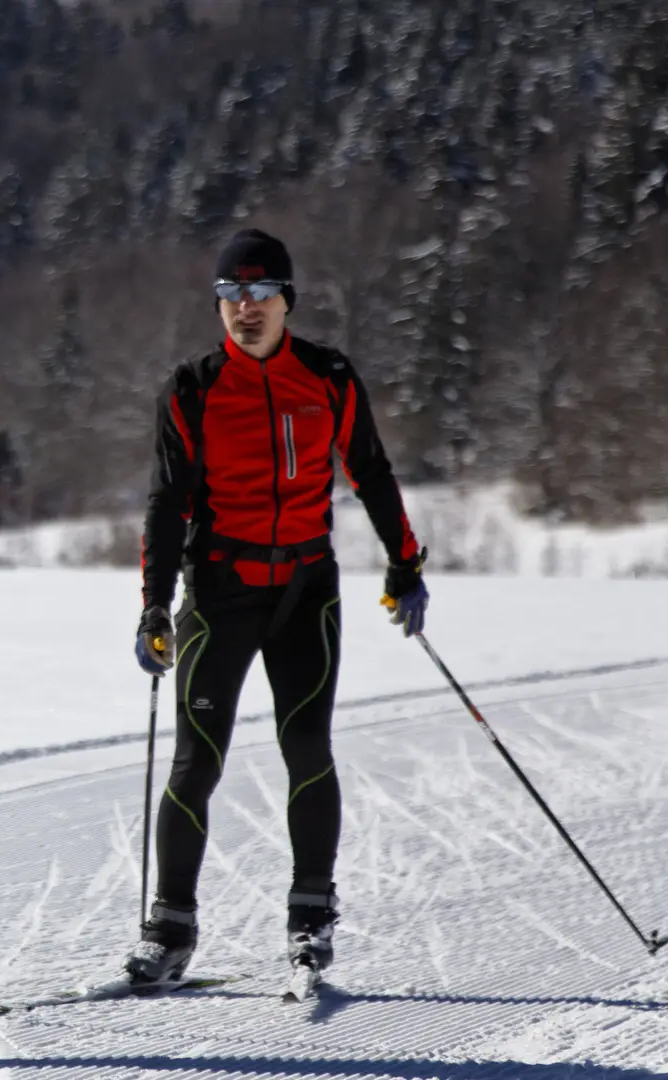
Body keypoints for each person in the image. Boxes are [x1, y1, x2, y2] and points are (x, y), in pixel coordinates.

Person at [128, 228, 428, 986]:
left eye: (260, 294)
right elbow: (166, 506)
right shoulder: (192, 388)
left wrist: (405, 564)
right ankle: (170, 928)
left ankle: (310, 916)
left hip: (304, 591)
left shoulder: (328, 376)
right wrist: (154, 606)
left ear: (288, 300)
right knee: (197, 759)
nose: (244, 309)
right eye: (229, 296)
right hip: (221, 590)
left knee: (308, 749)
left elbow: (370, 469)